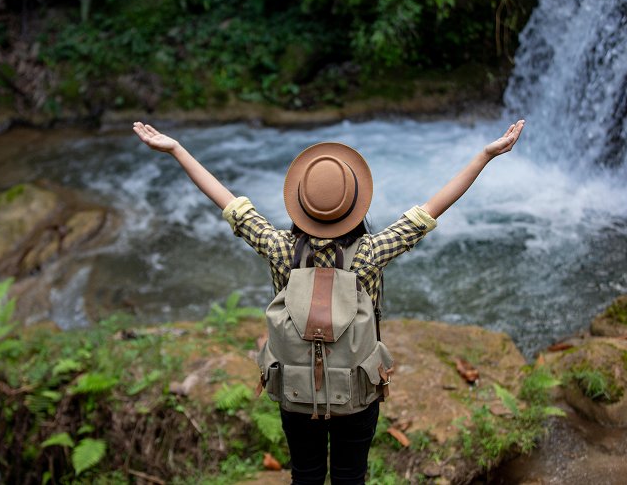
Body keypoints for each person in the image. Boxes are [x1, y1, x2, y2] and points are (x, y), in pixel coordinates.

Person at [133, 119, 525, 484]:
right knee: (351, 474)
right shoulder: (373, 252)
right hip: (356, 393)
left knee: (305, 472)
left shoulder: (279, 248)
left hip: (295, 392)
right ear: (355, 206)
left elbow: (228, 202)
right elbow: (430, 210)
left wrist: (177, 149)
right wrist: (484, 156)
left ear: (299, 205)